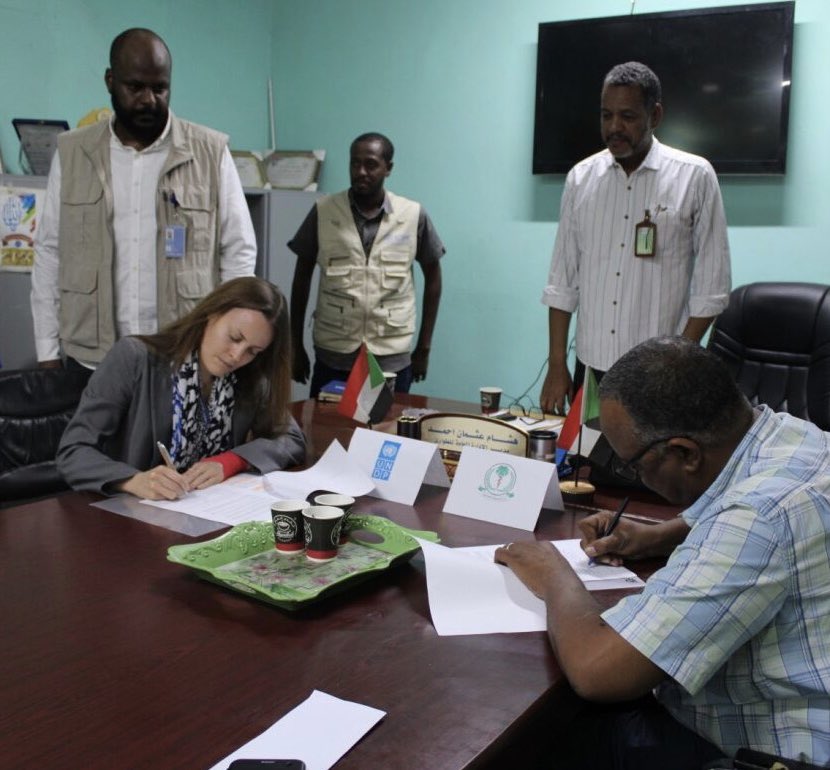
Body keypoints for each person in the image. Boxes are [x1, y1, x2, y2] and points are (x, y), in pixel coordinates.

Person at [496, 337, 830, 769]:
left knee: (548, 738)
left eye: (632, 465)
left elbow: (599, 672)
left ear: (684, 454)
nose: (632, 475)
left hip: (771, 753)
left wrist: (554, 576)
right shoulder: (791, 435)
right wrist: (663, 534)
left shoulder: (755, 519)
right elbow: (766, 511)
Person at [31, 27, 256, 370]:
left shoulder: (210, 153)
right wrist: (47, 352)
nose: (148, 99)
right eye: (135, 87)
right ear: (110, 80)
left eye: (159, 88)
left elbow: (238, 251)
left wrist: (225, 345)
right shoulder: (73, 152)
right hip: (92, 360)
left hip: (181, 356)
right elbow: (49, 251)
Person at [539, 61, 731, 414]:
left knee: (653, 468)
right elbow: (562, 281)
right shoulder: (580, 179)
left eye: (627, 116)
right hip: (592, 369)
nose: (614, 127)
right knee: (589, 465)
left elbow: (712, 290)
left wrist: (676, 364)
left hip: (659, 374)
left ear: (654, 115)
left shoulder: (694, 177)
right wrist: (555, 365)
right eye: (606, 115)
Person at [57, 277, 305, 500]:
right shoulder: (135, 358)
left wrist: (232, 461)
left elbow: (291, 439)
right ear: (211, 314)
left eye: (253, 351)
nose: (237, 356)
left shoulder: (248, 376)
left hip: (202, 512)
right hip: (128, 515)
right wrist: (133, 481)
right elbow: (73, 451)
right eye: (234, 337)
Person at [288, 132, 445, 397]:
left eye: (371, 164)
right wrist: (295, 346)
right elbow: (301, 278)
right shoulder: (324, 211)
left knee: (388, 434)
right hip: (334, 355)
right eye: (354, 163)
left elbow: (434, 278)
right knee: (328, 432)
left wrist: (424, 348)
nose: (361, 171)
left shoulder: (412, 215)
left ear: (388, 168)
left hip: (391, 356)